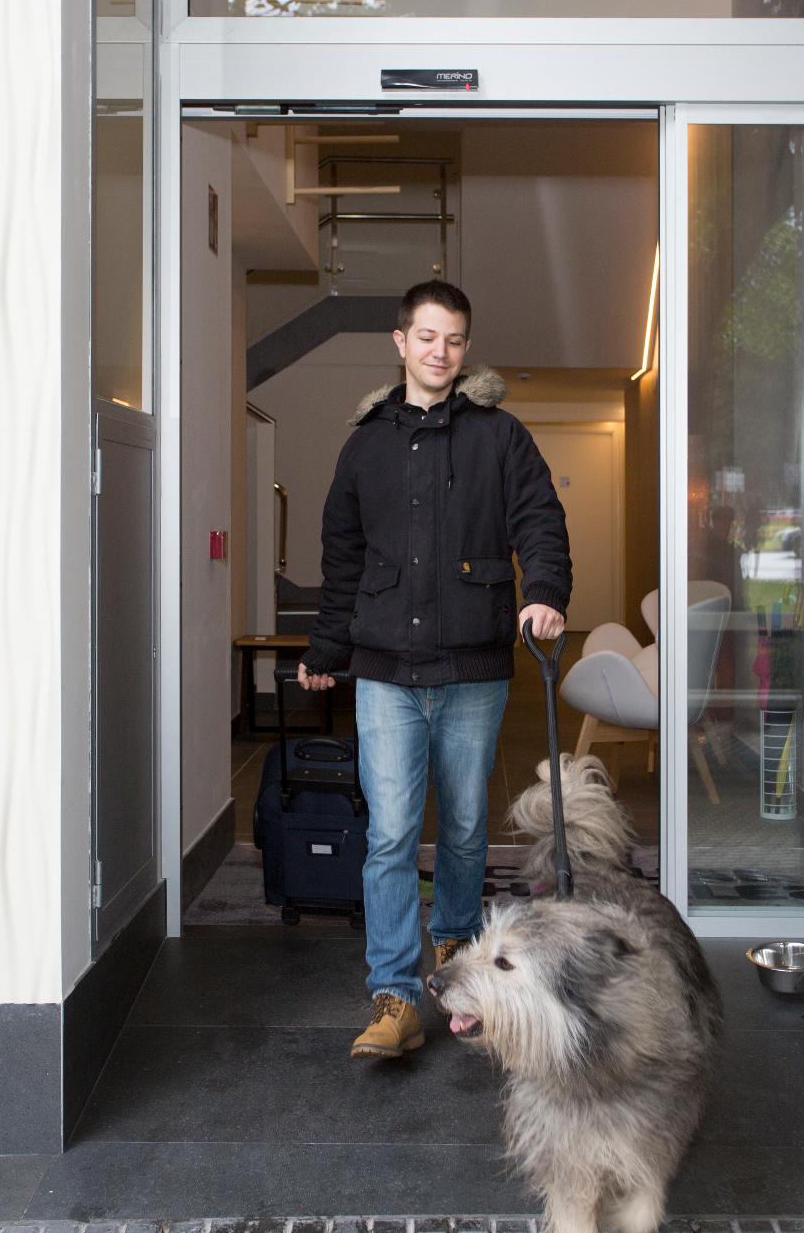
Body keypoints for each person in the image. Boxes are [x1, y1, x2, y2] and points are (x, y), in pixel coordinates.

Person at [296, 279, 572, 1060]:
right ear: (400, 341)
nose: (439, 352)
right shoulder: (366, 444)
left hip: (473, 668)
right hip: (386, 674)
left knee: (464, 828)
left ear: (465, 347)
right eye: (426, 337)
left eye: (453, 339)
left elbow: (540, 518)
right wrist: (326, 650)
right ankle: (394, 994)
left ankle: (455, 955)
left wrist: (544, 592)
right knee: (390, 834)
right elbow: (342, 558)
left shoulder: (500, 436)